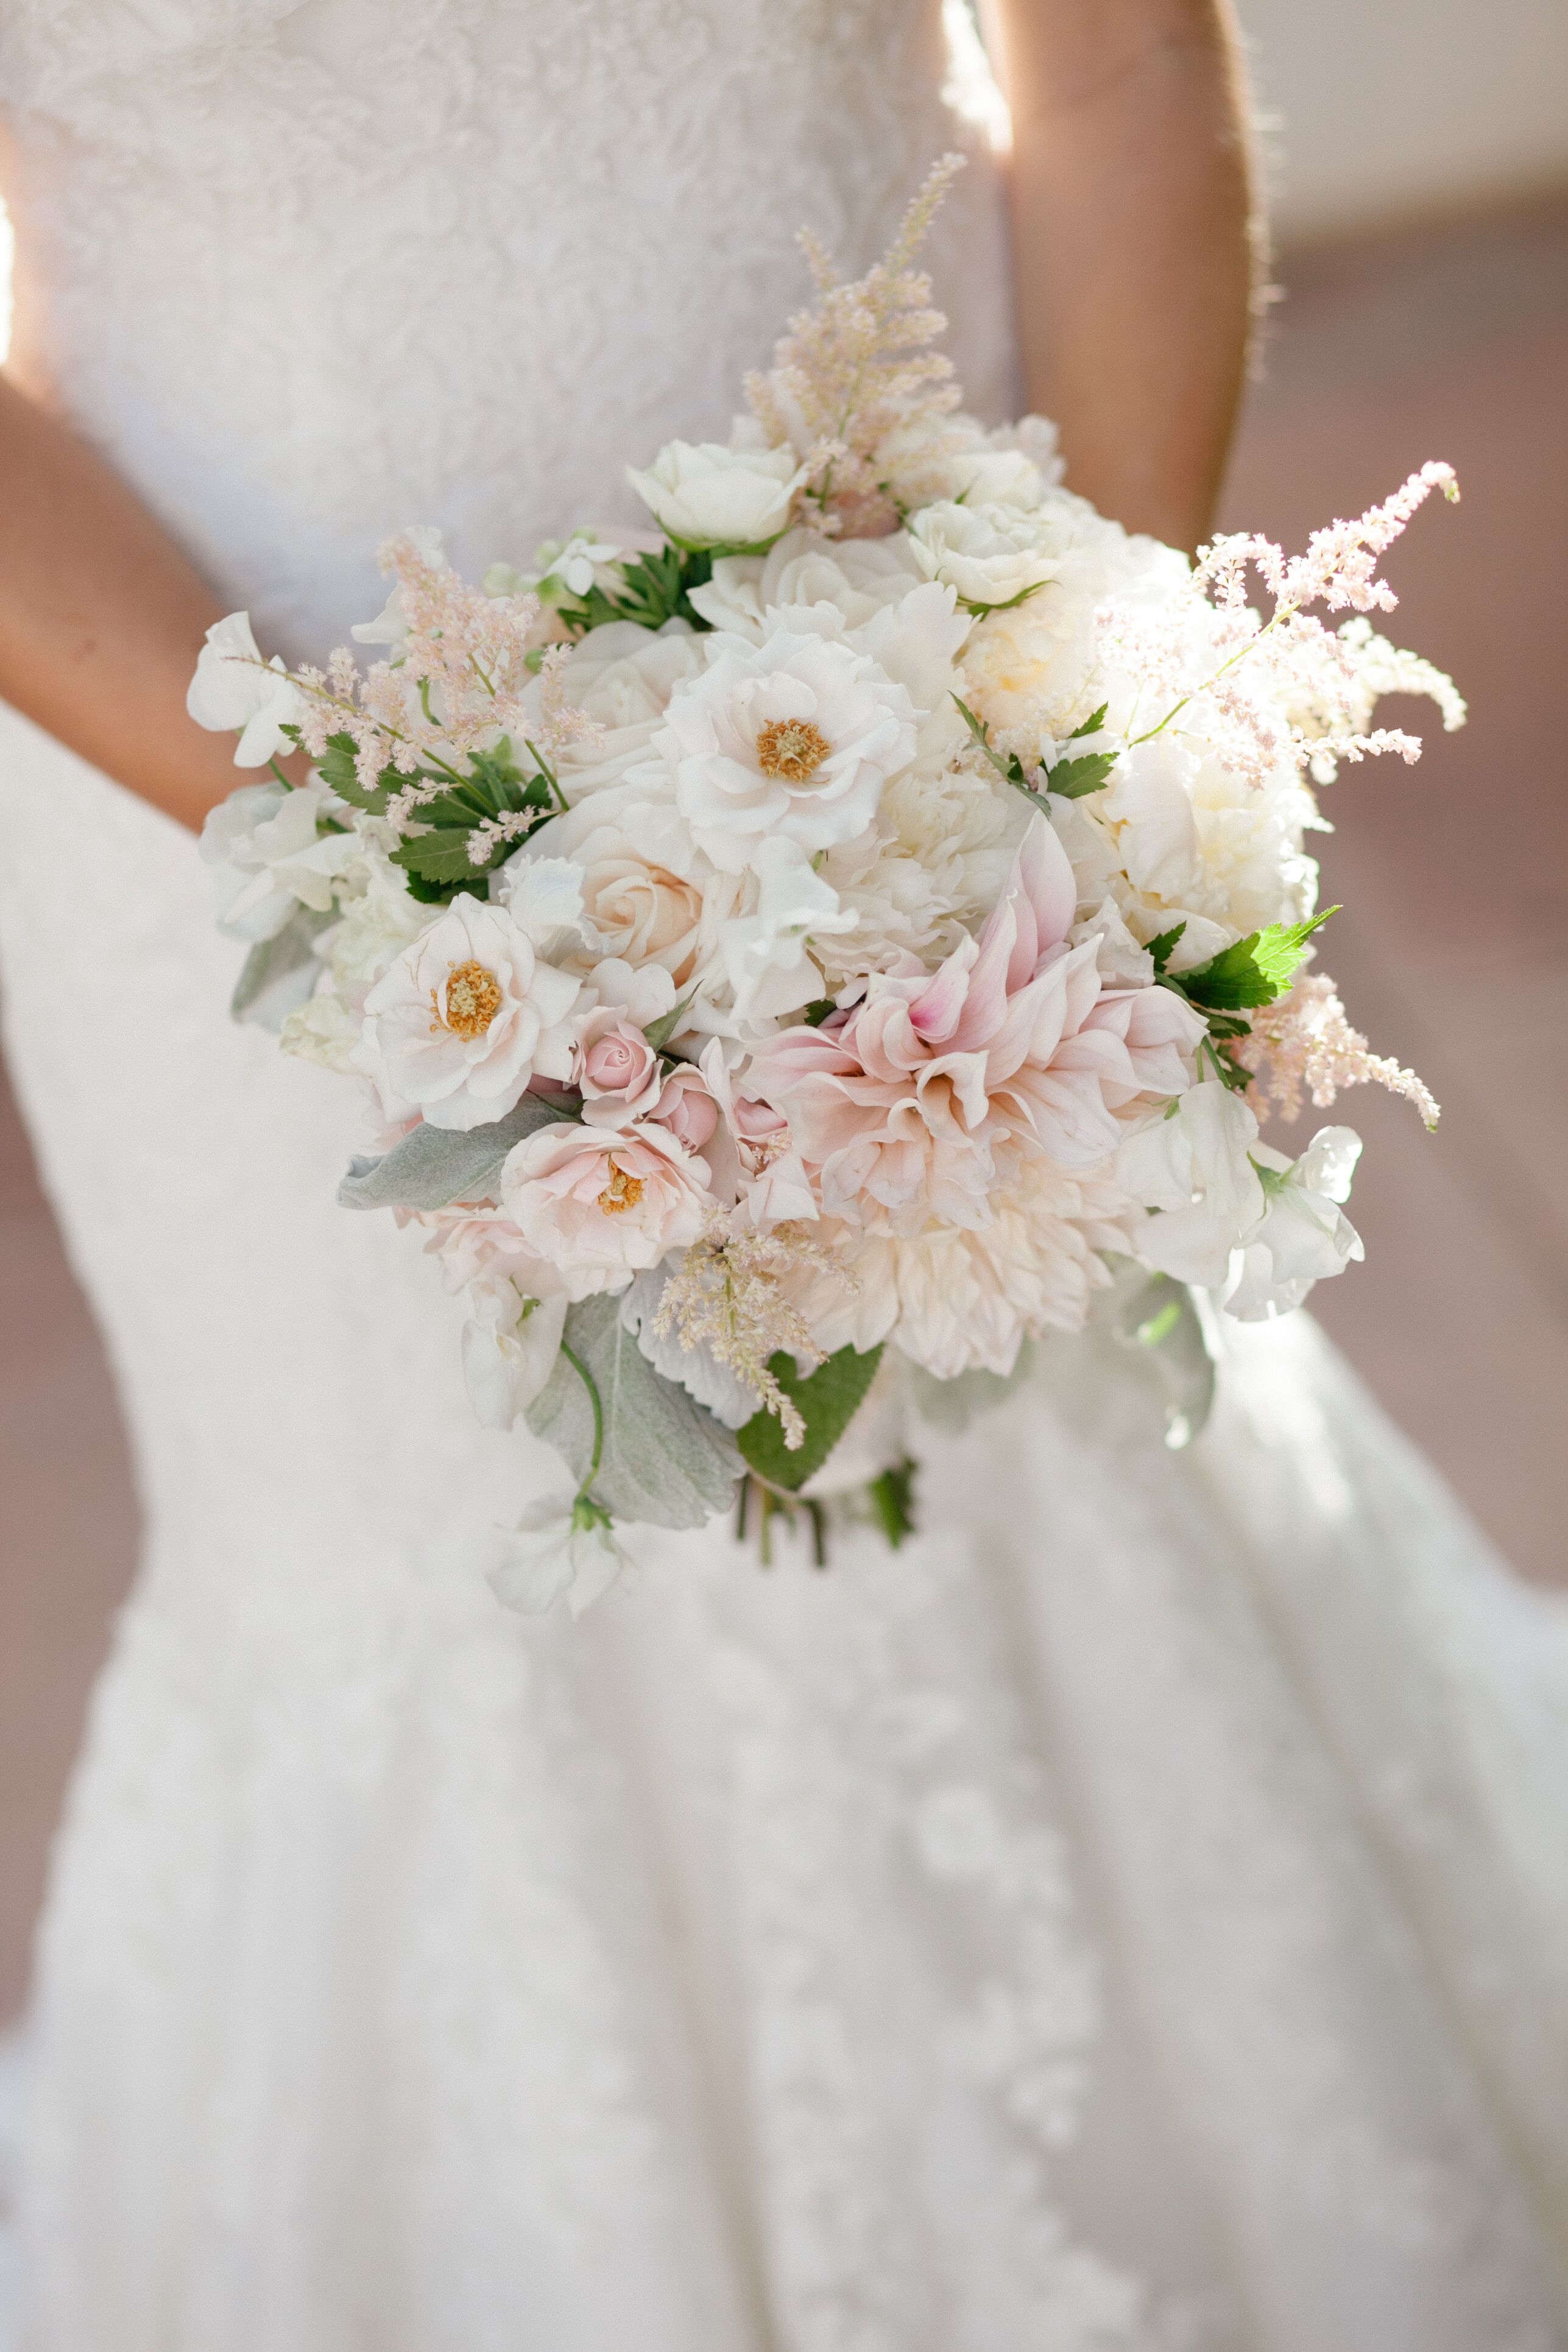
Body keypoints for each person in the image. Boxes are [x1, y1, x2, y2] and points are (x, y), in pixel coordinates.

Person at [0, 4, 1564, 2345]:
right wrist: (409, 877)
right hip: (243, 812)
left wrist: (1067, 736)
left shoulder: (1003, 743)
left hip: (941, 693)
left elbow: (1119, 63)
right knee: (436, 1608)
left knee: (1045, 1465)